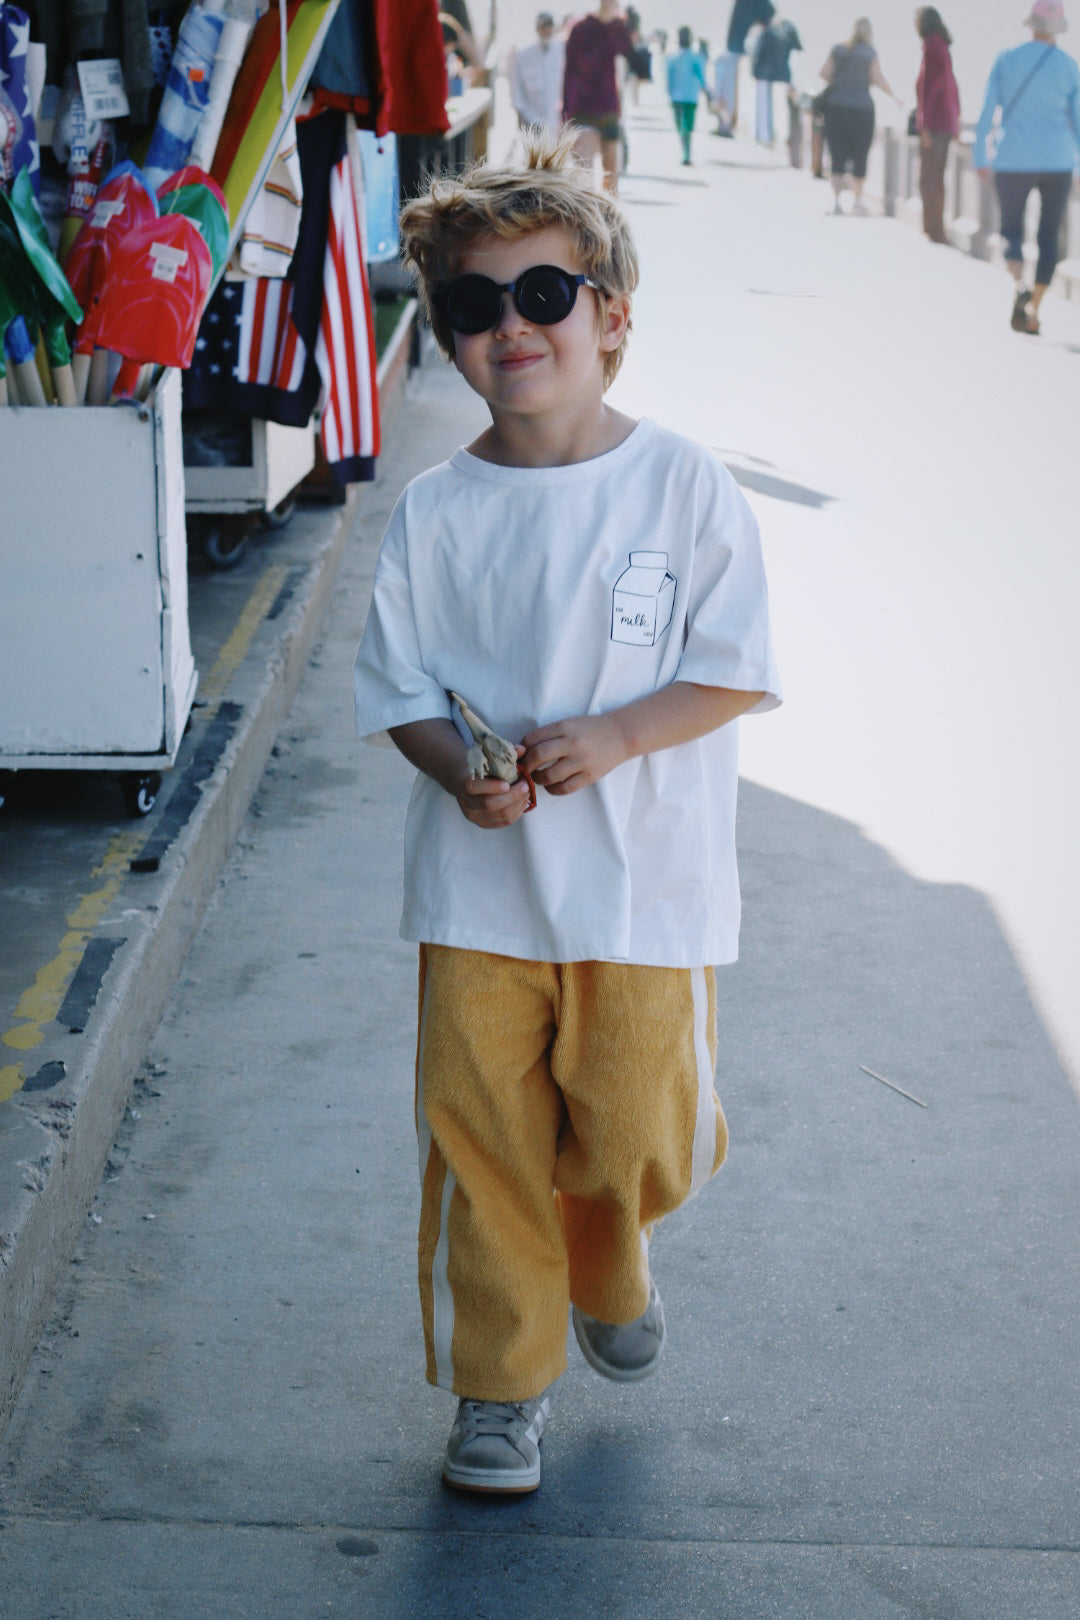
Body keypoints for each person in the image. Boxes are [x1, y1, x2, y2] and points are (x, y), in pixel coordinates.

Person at [352, 128, 781, 1497]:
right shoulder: (435, 512)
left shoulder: (683, 485)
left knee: (643, 1132)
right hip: (479, 900)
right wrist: (453, 770)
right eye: (474, 304)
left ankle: (611, 1253)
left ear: (612, 320)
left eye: (543, 294)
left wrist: (619, 734)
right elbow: (400, 688)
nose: (511, 326)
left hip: (646, 895)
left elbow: (737, 668)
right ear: (446, 335)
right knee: (483, 1146)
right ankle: (499, 1387)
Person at [974, 0, 1080, 334]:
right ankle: (1033, 306)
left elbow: (987, 112)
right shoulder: (1069, 66)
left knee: (1010, 231)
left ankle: (1019, 284)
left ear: (1031, 24)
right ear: (1058, 28)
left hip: (1012, 161)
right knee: (1050, 235)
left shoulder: (1006, 59)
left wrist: (980, 157)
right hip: (1058, 162)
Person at [818, 18, 902, 213]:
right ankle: (857, 201)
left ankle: (837, 203)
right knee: (860, 156)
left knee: (836, 157)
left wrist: (840, 81)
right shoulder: (869, 53)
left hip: (836, 109)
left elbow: (823, 72)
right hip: (861, 111)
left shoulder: (838, 49)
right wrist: (894, 97)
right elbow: (877, 78)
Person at [562, 0, 634, 192]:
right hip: (583, 109)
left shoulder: (619, 28)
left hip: (610, 109)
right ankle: (586, 210)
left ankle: (608, 211)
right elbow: (569, 72)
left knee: (611, 180)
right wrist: (565, 114)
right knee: (583, 177)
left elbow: (631, 56)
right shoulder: (580, 29)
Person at [914, 8, 961, 244]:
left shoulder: (933, 47)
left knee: (929, 179)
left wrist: (925, 126)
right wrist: (956, 122)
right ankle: (934, 228)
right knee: (935, 178)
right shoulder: (941, 46)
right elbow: (952, 87)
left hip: (935, 124)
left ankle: (934, 230)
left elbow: (929, 89)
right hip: (945, 121)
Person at [713, 0, 775, 136]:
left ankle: (727, 124)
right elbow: (770, 15)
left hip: (736, 49)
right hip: (739, 51)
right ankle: (728, 124)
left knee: (729, 90)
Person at [509, 11, 566, 134]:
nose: (546, 31)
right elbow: (516, 85)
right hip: (532, 118)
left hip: (556, 119)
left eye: (549, 27)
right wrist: (520, 112)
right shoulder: (524, 54)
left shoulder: (561, 50)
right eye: (543, 27)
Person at [751, 13, 802, 146]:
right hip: (782, 76)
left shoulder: (766, 33)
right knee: (780, 111)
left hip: (764, 75)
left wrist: (755, 72)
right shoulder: (787, 34)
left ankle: (765, 138)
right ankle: (779, 139)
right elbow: (798, 48)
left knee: (764, 108)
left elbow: (758, 53)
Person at [667, 25, 709, 164]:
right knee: (686, 127)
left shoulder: (673, 58)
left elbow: (669, 79)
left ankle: (686, 154)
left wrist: (669, 92)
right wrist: (706, 91)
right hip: (689, 97)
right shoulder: (694, 58)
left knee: (682, 127)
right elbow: (702, 77)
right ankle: (686, 153)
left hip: (679, 97)